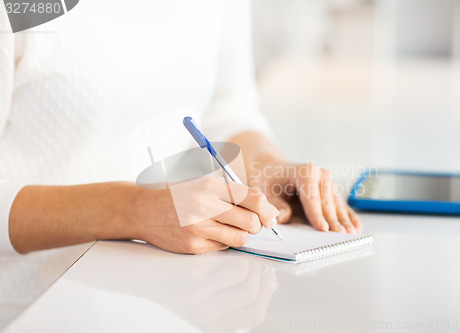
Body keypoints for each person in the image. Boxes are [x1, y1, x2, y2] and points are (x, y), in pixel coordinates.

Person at [0, 0, 361, 256]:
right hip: (39, 309)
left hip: (192, 296)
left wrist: (266, 165)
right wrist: (132, 211)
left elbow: (227, 106)